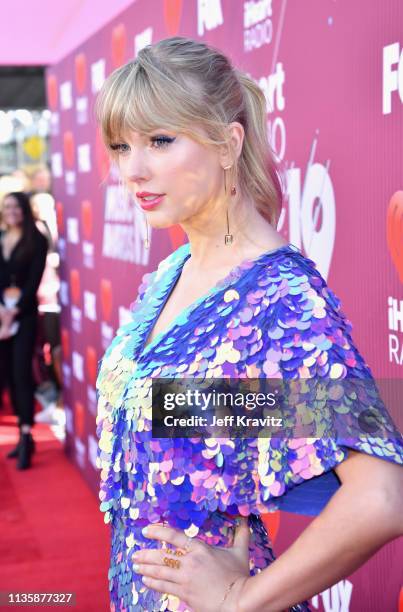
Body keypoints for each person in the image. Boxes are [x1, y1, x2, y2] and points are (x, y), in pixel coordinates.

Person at [95, 37, 403, 612]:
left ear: (228, 144)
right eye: (121, 146)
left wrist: (241, 599)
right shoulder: (171, 273)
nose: (133, 170)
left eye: (160, 141)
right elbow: (224, 413)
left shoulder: (277, 299)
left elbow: (382, 496)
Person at [0, 191, 48, 470]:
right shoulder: (1, 237)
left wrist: (14, 311)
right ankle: (21, 434)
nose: (11, 211)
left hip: (25, 315)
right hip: (1, 315)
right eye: (7, 207)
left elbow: (34, 281)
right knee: (7, 375)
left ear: (24, 210)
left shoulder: (36, 239)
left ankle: (26, 433)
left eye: (16, 207)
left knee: (21, 374)